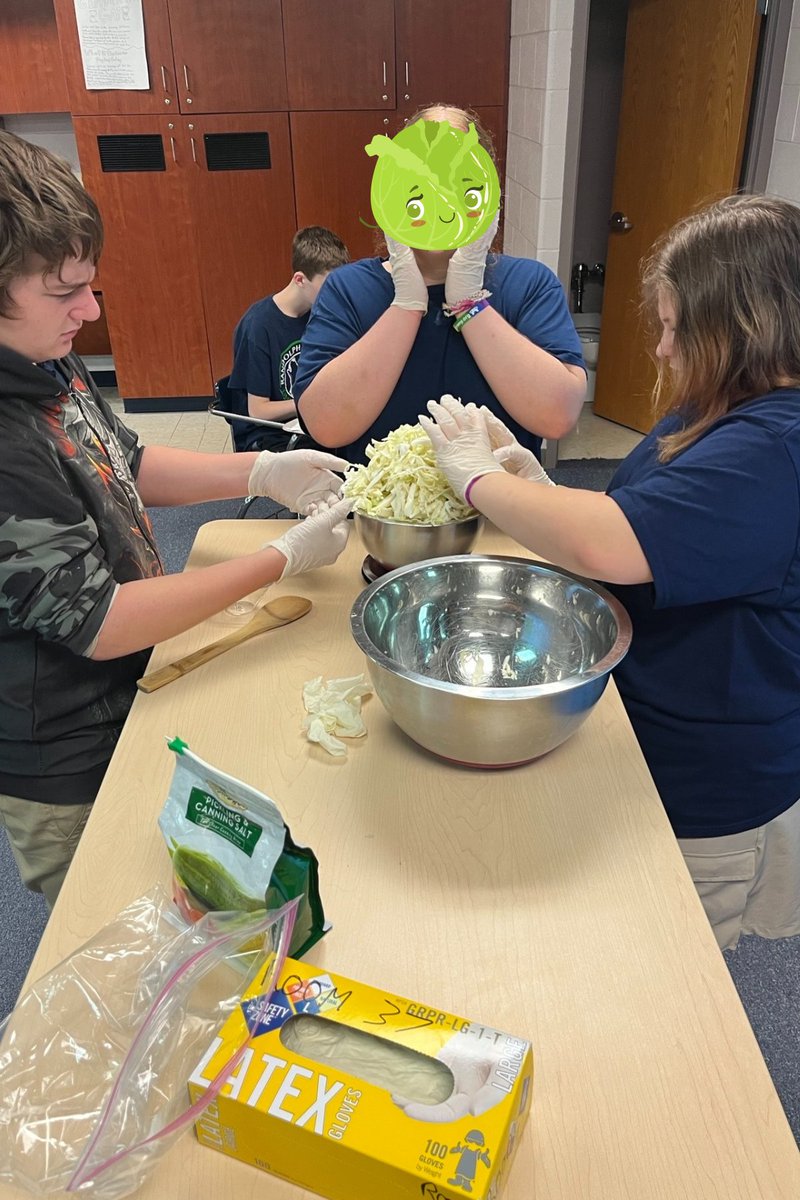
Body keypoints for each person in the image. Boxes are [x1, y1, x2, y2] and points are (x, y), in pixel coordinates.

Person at [419, 194, 800, 952]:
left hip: (707, 782)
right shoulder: (717, 408)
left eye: (670, 326)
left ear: (737, 327)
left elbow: (612, 547)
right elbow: (657, 526)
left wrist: (480, 483)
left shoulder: (778, 450)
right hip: (648, 736)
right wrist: (541, 487)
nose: (659, 350)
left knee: (670, 982)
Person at [0, 132, 352, 907]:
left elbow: (125, 459)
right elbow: (101, 620)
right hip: (65, 750)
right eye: (66, 293)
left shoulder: (37, 356)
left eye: (89, 286)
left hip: (125, 690)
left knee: (183, 897)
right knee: (116, 927)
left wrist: (260, 469)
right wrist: (280, 558)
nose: (89, 311)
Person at [293, 104, 586, 466]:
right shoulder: (348, 289)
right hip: (381, 519)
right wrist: (406, 305)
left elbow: (557, 415)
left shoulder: (529, 284)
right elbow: (326, 425)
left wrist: (470, 305)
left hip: (501, 517)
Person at [228, 226, 349, 452]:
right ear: (300, 279)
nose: (335, 296)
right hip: (269, 434)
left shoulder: (319, 315)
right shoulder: (259, 326)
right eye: (329, 288)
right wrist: (311, 402)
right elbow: (258, 410)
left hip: (308, 423)